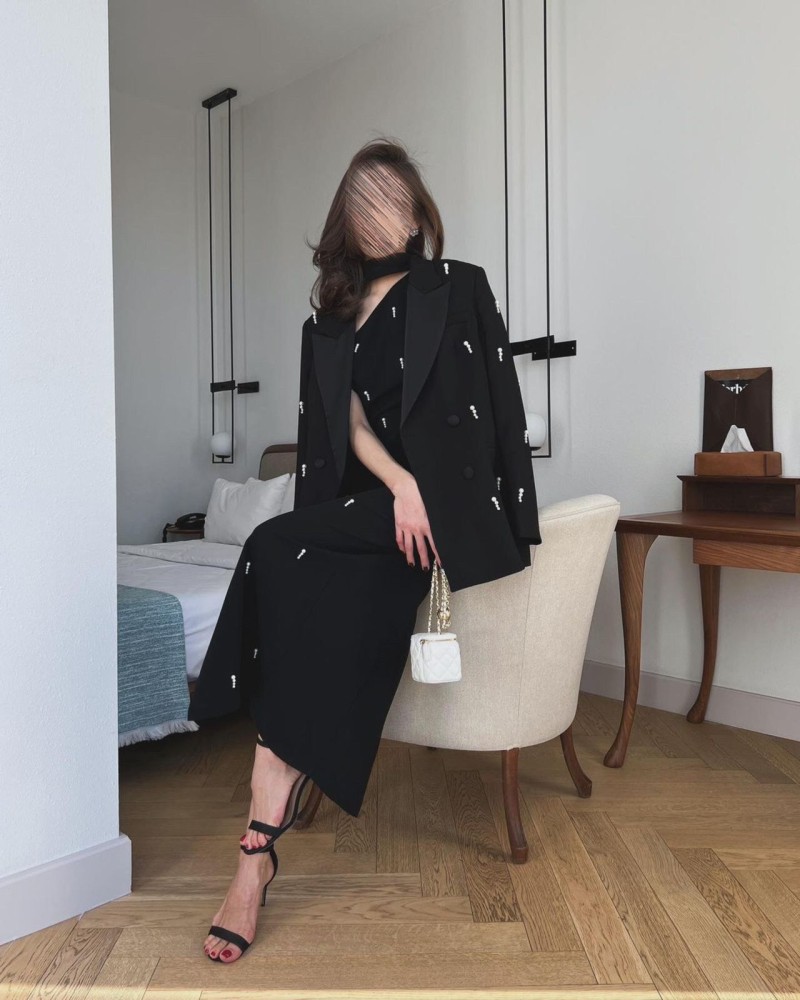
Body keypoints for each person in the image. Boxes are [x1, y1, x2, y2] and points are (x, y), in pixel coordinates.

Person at [187, 137, 541, 963]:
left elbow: (502, 398)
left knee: (276, 550)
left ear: (417, 214)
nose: (381, 214)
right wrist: (400, 485)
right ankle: (259, 843)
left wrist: (507, 519)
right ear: (345, 221)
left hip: (447, 511)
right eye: (365, 201)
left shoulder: (460, 287)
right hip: (378, 505)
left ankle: (256, 847)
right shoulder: (329, 321)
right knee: (284, 557)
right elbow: (342, 423)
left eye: (395, 200)